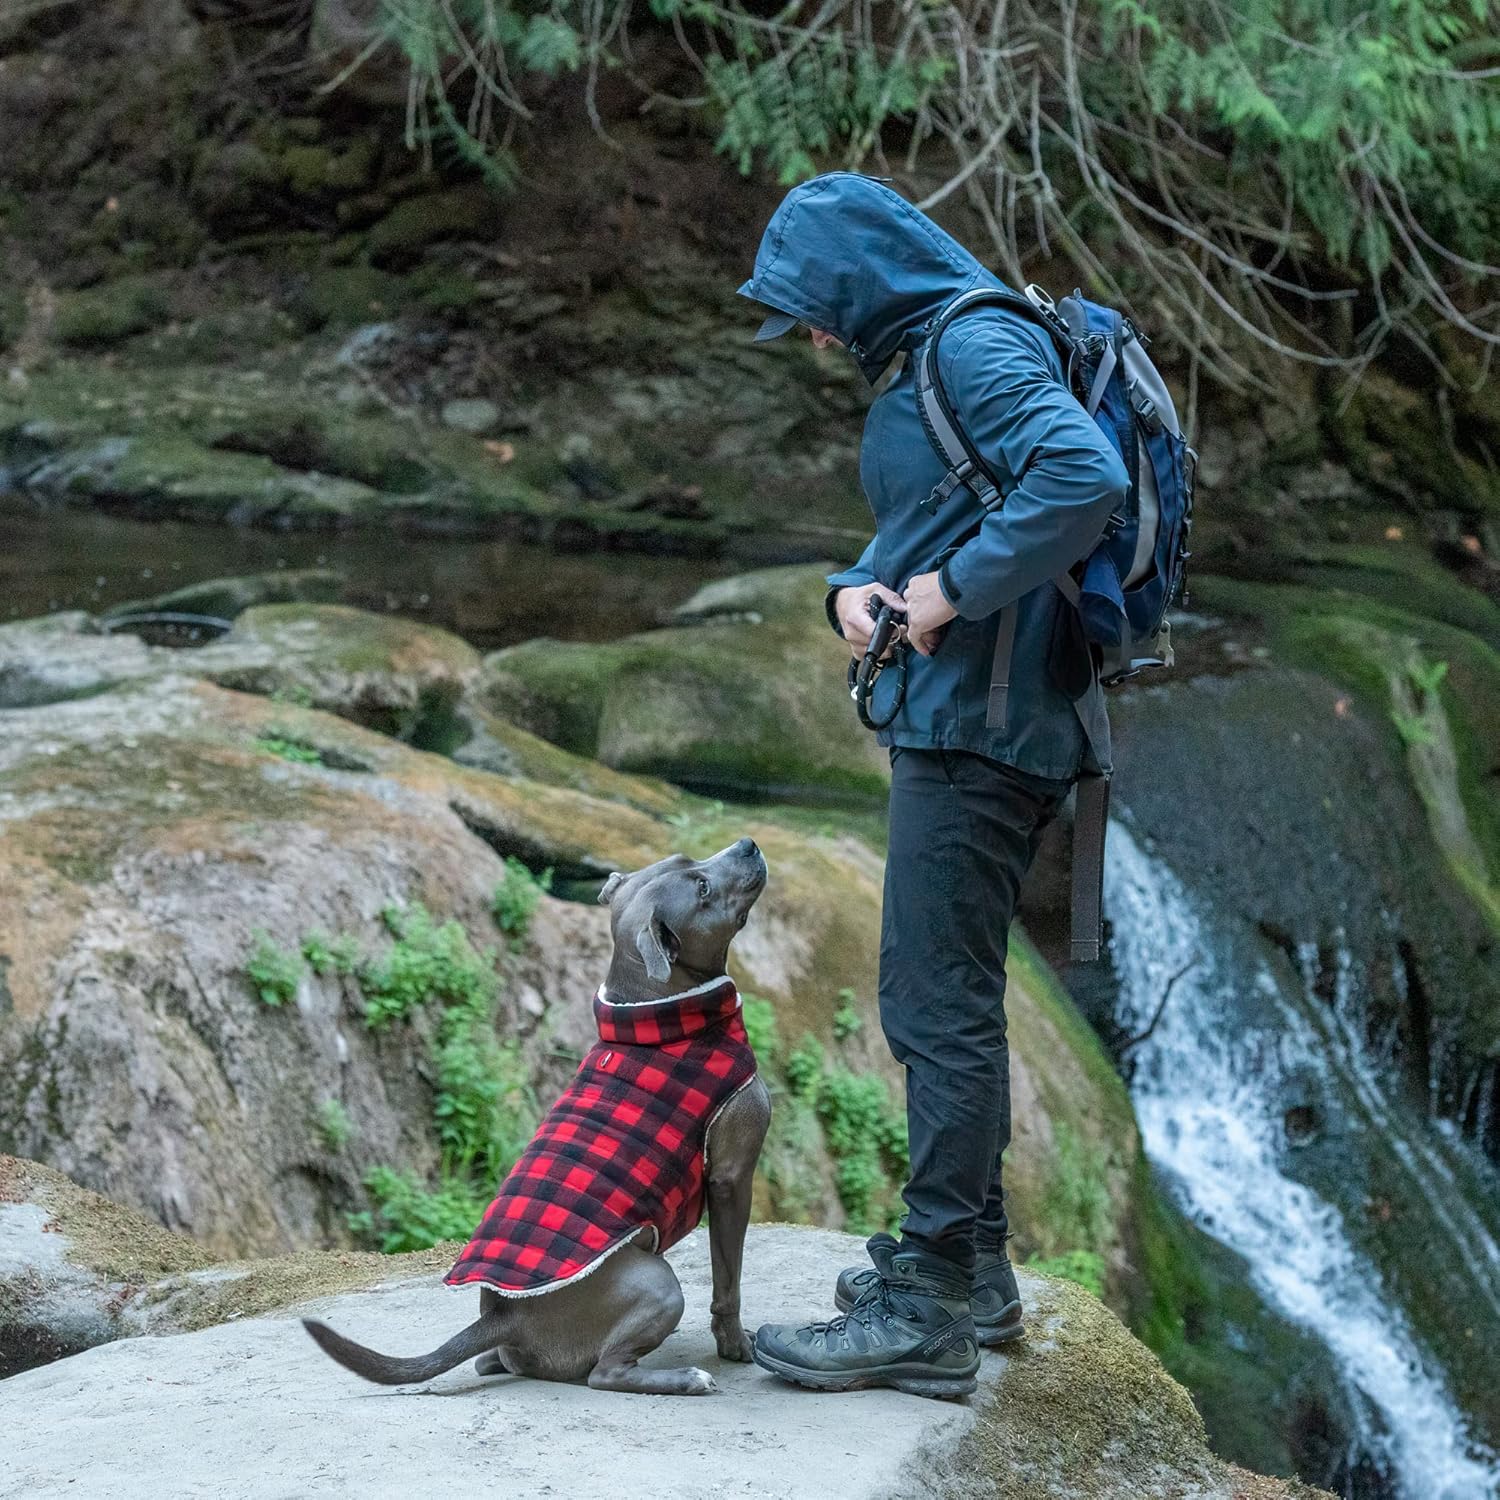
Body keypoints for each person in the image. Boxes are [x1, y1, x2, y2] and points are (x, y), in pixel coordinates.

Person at [739, 173, 1128, 1398]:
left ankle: (930, 1306)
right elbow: (935, 515)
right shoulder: (935, 352)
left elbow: (1083, 477)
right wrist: (852, 591)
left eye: (811, 307)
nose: (808, 335)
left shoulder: (973, 344)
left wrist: (946, 599)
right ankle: (982, 1273)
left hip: (987, 735)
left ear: (860, 275)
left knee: (936, 1009)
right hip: (970, 719)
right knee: (944, 1001)